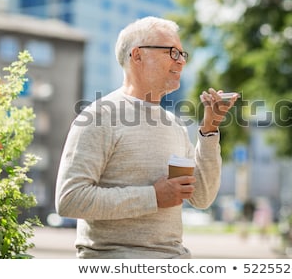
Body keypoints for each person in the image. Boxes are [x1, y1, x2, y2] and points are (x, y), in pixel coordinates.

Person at [55, 16, 238, 259]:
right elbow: (70, 199)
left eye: (183, 54)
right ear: (138, 55)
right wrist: (152, 196)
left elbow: (201, 196)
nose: (181, 62)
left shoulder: (174, 125)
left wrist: (209, 129)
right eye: (173, 52)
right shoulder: (98, 116)